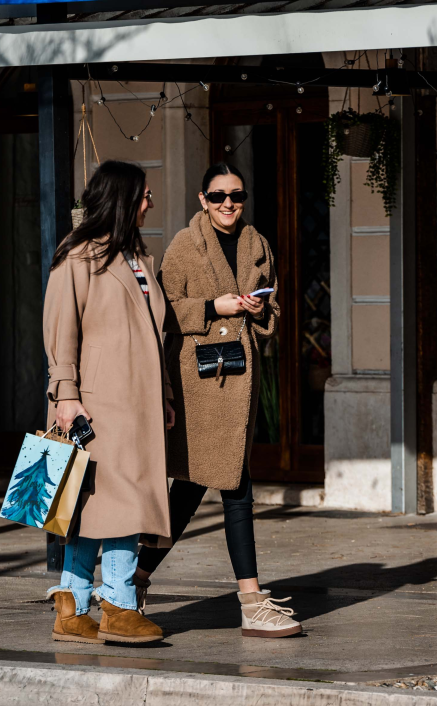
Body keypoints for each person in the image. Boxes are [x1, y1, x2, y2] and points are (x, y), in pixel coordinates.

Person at [136, 162, 302, 638]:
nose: (229, 204)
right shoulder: (184, 245)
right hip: (197, 383)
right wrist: (214, 307)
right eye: (218, 196)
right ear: (202, 200)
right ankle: (251, 601)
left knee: (194, 488)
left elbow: (273, 310)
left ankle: (135, 578)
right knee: (231, 487)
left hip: (239, 378)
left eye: (237, 195)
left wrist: (258, 307)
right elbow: (163, 311)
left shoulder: (258, 244)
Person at [43, 160, 175, 645]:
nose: (150, 203)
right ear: (124, 198)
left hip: (138, 403)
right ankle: (118, 604)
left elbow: (154, 335)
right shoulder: (78, 256)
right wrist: (66, 395)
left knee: (93, 506)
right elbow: (61, 330)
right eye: (145, 194)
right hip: (97, 404)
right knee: (121, 502)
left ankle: (73, 605)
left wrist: (164, 395)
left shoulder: (139, 257)